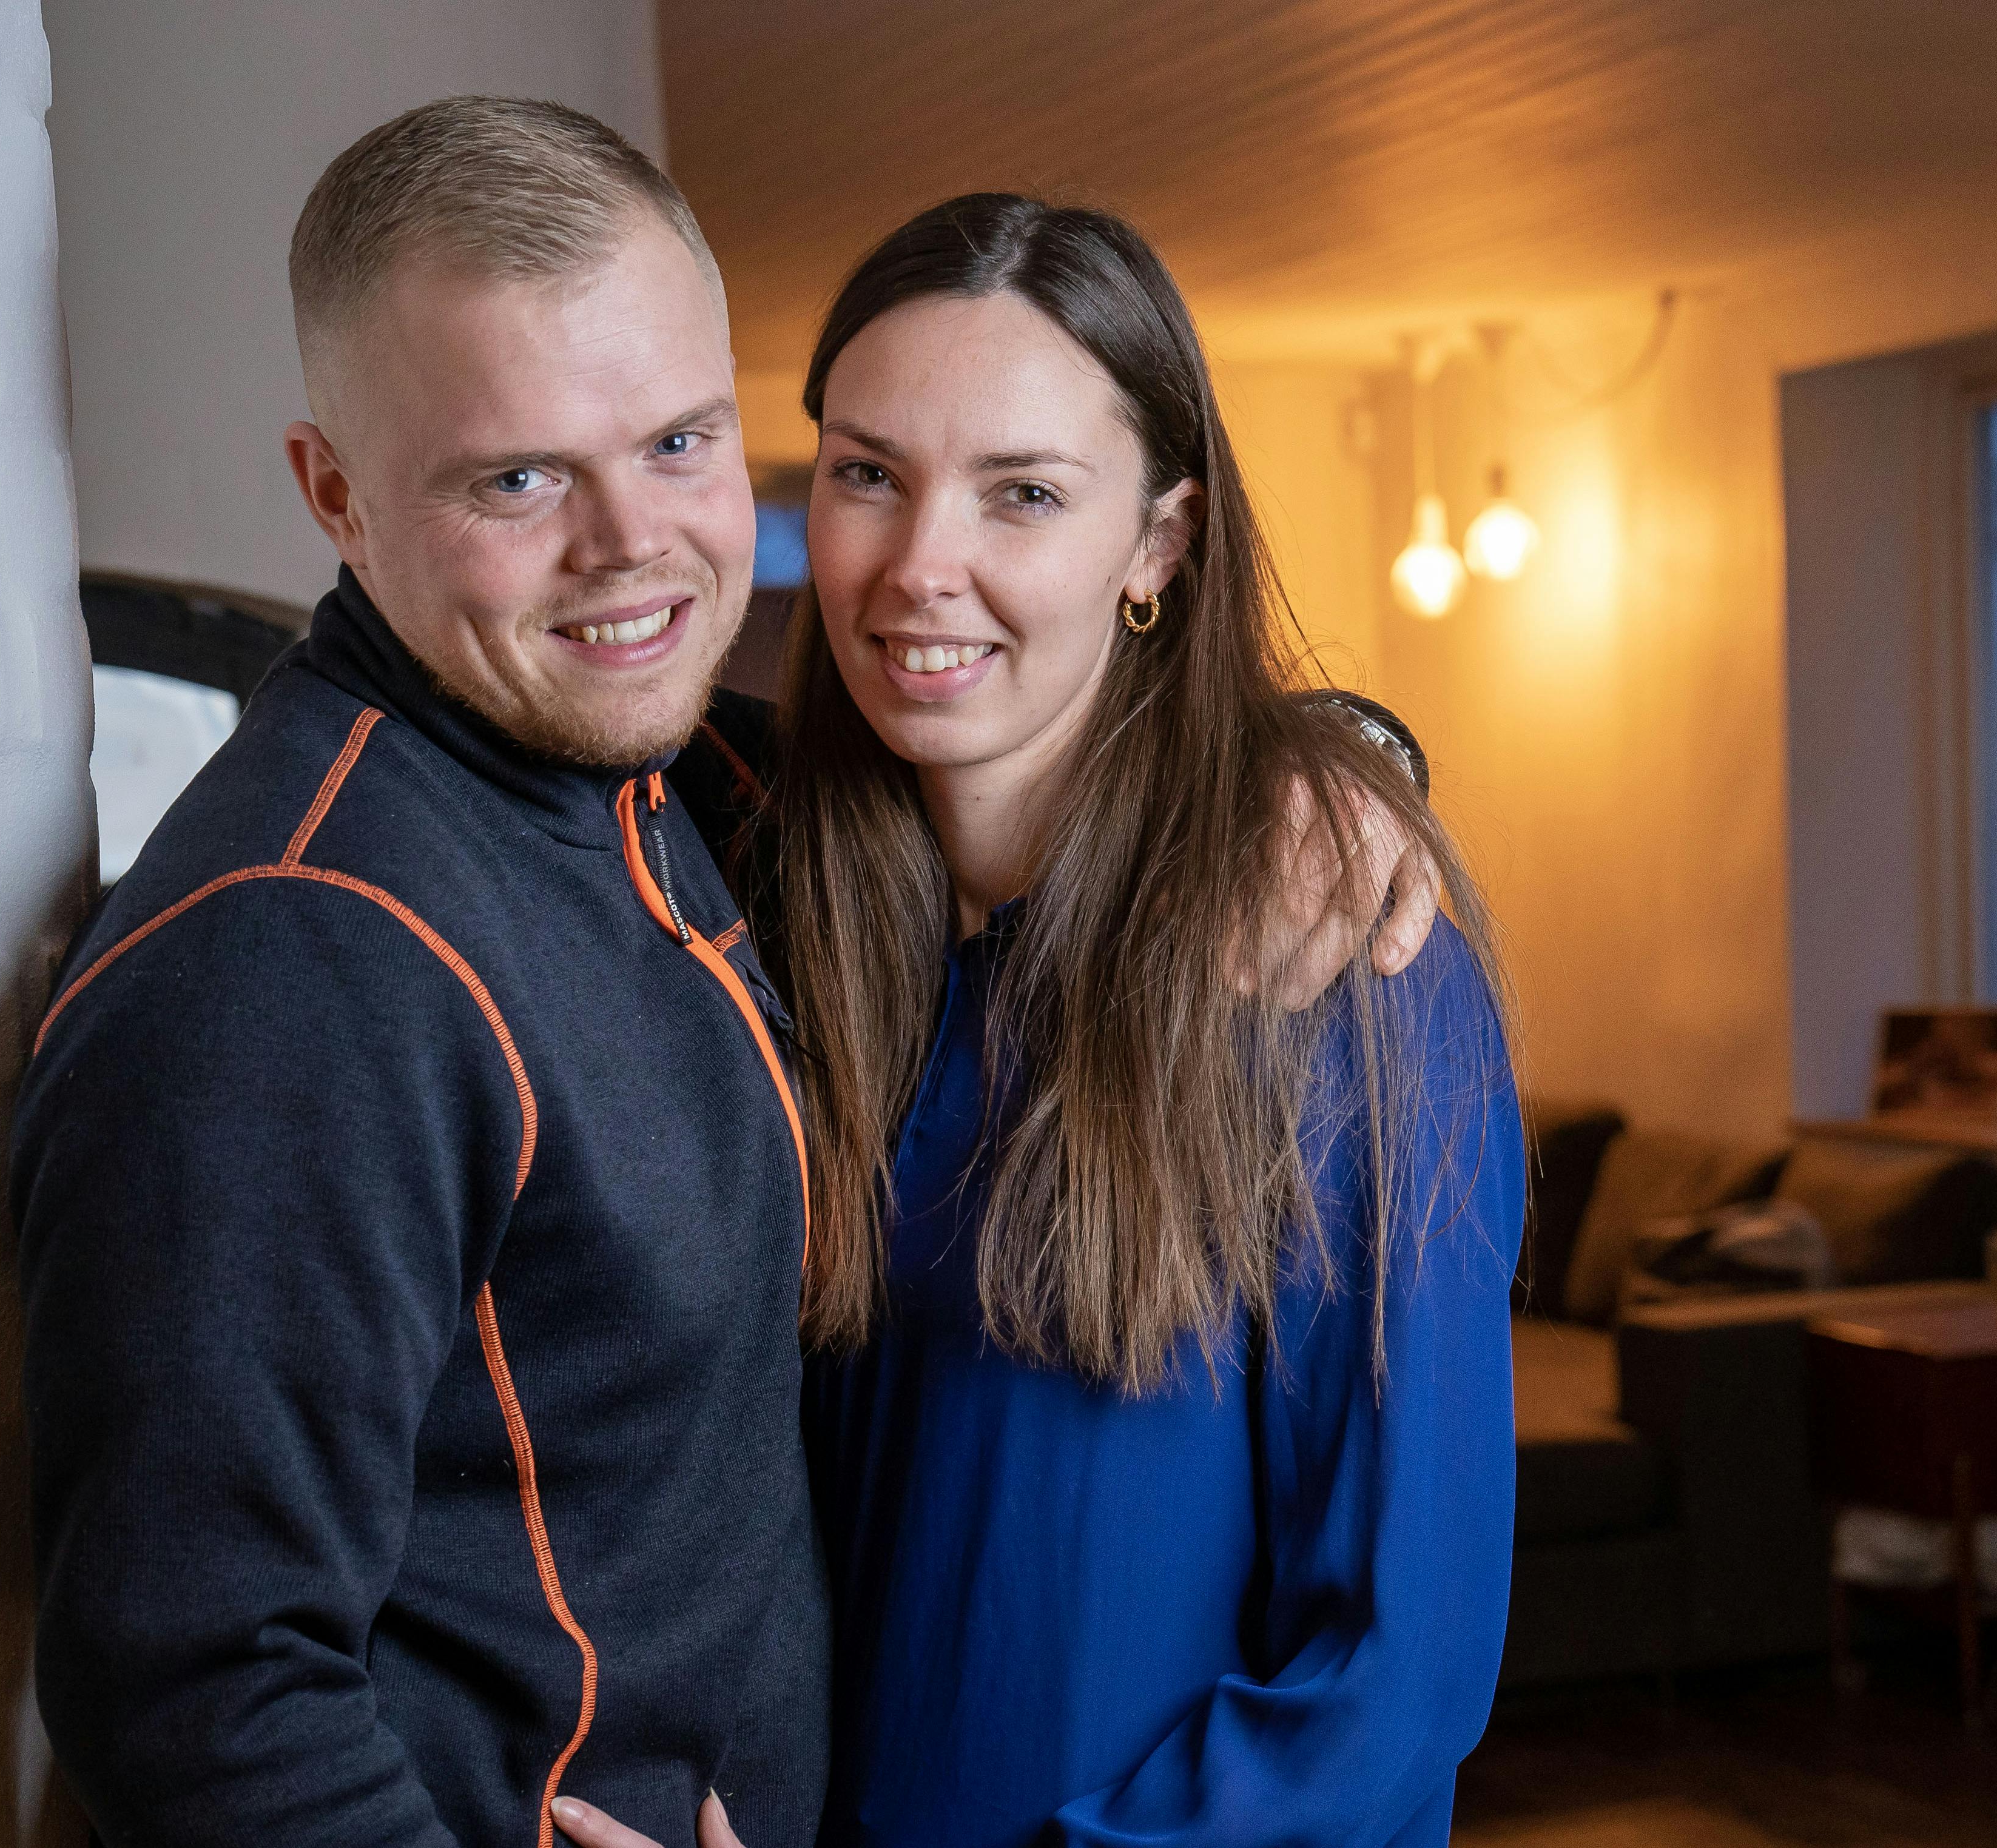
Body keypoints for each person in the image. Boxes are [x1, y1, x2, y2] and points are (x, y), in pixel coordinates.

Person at [11, 108, 1433, 1848]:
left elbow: (1029, 744)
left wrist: (1331, 759)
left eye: (679, 442)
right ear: (335, 494)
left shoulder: (692, 788)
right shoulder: (295, 954)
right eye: (517, 477)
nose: (633, 546)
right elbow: (190, 1677)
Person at [558, 194, 1522, 1848]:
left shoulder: (1335, 980)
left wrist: (1337, 760)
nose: (921, 566)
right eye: (867, 475)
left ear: (1158, 541)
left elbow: (1392, 1677)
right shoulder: (773, 901)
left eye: (1023, 493)